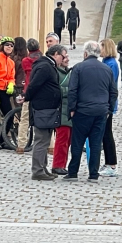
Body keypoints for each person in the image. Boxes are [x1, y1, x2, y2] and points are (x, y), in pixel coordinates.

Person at [65, 41, 118, 182]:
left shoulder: (78, 68)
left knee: (77, 143)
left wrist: (71, 109)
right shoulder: (107, 69)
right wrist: (109, 109)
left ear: (85, 53)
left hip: (82, 111)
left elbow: (72, 90)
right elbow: (113, 92)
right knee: (95, 144)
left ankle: (73, 173)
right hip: (101, 112)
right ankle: (93, 174)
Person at [24, 44, 68, 180]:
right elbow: (34, 84)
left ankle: (43, 167)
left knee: (46, 139)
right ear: (55, 54)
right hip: (43, 109)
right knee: (41, 140)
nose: (64, 59)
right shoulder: (45, 66)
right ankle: (37, 170)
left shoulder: (48, 65)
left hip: (48, 108)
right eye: (63, 55)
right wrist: (26, 97)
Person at [17, 38, 42, 153]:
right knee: (44, 119)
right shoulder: (43, 60)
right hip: (41, 92)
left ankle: (21, 145)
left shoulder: (25, 61)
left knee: (24, 119)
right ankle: (50, 146)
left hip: (28, 91)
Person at [99, 38, 120, 177]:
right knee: (104, 134)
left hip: (107, 103)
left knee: (107, 134)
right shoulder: (106, 62)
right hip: (104, 101)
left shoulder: (111, 64)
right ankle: (108, 162)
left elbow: (109, 85)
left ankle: (112, 164)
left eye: (101, 47)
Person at [0, 37, 16, 148]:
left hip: (5, 91)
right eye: (7, 45)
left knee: (9, 115)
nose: (9, 47)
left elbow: (11, 76)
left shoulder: (11, 62)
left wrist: (11, 84)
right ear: (2, 46)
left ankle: (2, 139)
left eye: (11, 45)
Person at [51, 47, 72, 175]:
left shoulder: (67, 72)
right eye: (65, 57)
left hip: (68, 110)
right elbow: (57, 90)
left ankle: (62, 164)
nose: (67, 59)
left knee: (67, 140)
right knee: (62, 140)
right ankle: (57, 165)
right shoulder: (56, 72)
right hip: (61, 110)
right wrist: (71, 91)